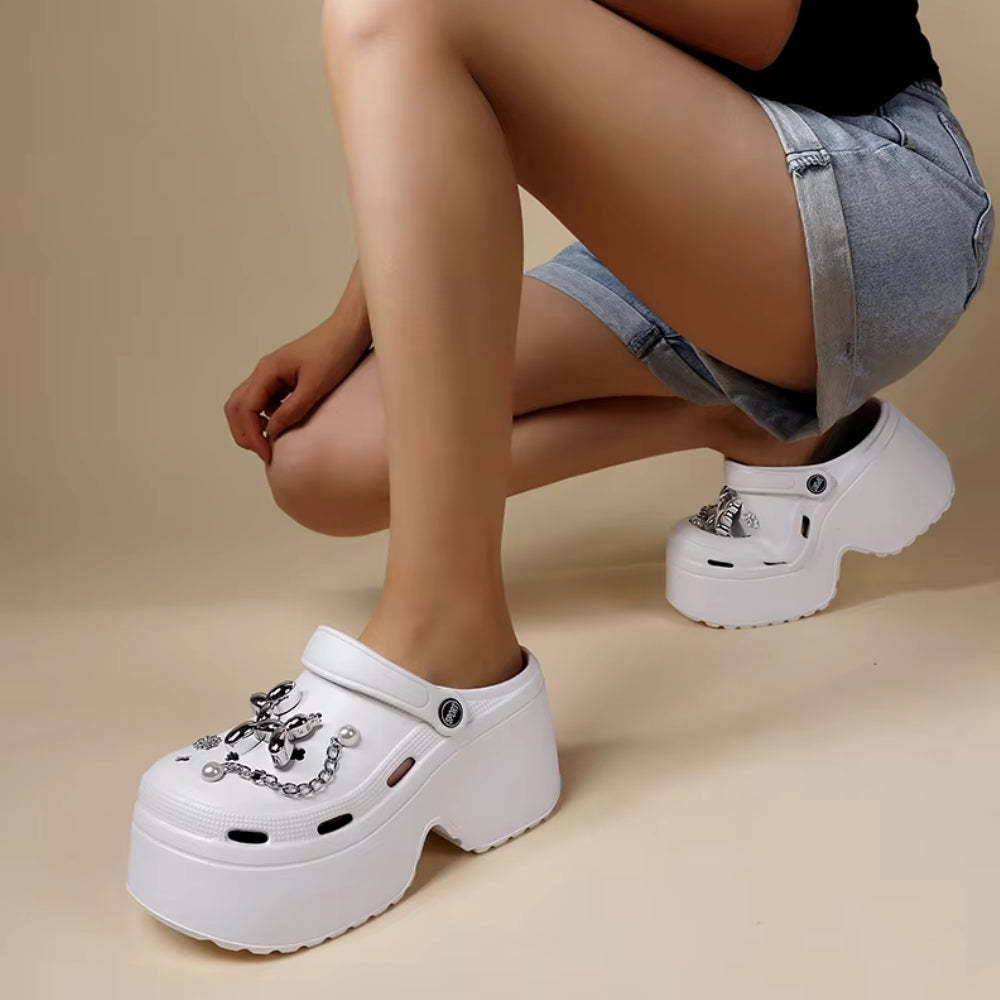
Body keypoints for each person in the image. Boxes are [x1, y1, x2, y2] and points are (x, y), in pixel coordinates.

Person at [126, 0, 992, 951]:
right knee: (323, 466)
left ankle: (448, 643)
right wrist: (345, 328)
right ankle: (760, 422)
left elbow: (760, 29)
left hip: (874, 194)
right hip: (691, 233)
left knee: (392, 6)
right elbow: (467, 83)